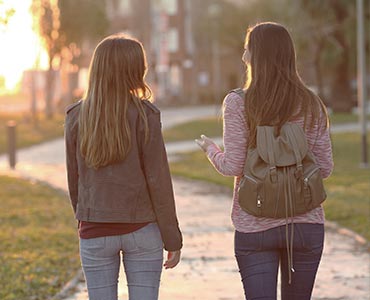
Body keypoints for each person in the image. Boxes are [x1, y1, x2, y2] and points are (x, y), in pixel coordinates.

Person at [196, 22, 333, 300]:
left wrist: (210, 149)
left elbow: (232, 166)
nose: (244, 57)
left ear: (255, 57)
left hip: (254, 224)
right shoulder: (311, 103)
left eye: (247, 51)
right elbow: (325, 168)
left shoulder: (238, 102)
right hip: (305, 225)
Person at [64, 34, 182, 300]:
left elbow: (75, 183)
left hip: (95, 230)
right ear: (134, 70)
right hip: (142, 230)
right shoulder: (145, 115)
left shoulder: (76, 117)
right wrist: (172, 238)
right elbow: (159, 181)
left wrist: (86, 220)